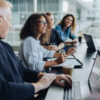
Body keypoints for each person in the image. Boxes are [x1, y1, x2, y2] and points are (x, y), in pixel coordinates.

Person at [0, 0, 72, 100]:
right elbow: (3, 90)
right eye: (9, 21)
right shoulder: (29, 41)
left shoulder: (5, 47)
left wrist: (48, 77)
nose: (10, 25)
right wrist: (39, 85)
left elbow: (21, 69)